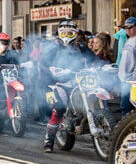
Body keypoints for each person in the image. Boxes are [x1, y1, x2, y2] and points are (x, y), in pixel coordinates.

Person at [38, 19, 99, 152]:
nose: (66, 36)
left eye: (69, 33)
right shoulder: (53, 49)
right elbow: (43, 65)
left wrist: (103, 66)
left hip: (79, 82)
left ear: (75, 33)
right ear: (59, 33)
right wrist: (51, 70)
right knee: (59, 109)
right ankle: (49, 141)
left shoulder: (82, 48)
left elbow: (95, 60)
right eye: (64, 33)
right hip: (58, 83)